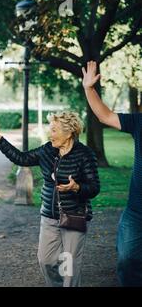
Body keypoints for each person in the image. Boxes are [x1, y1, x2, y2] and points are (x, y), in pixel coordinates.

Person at [0, 111, 100, 287]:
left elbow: (94, 188)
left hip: (74, 216)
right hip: (49, 215)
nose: (50, 134)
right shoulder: (48, 150)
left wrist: (77, 187)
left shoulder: (85, 154)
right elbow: (22, 158)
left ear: (69, 132)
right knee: (46, 260)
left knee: (69, 267)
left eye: (54, 130)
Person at [82, 61, 142, 286]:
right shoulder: (139, 122)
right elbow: (105, 116)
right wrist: (89, 89)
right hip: (137, 211)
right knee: (127, 260)